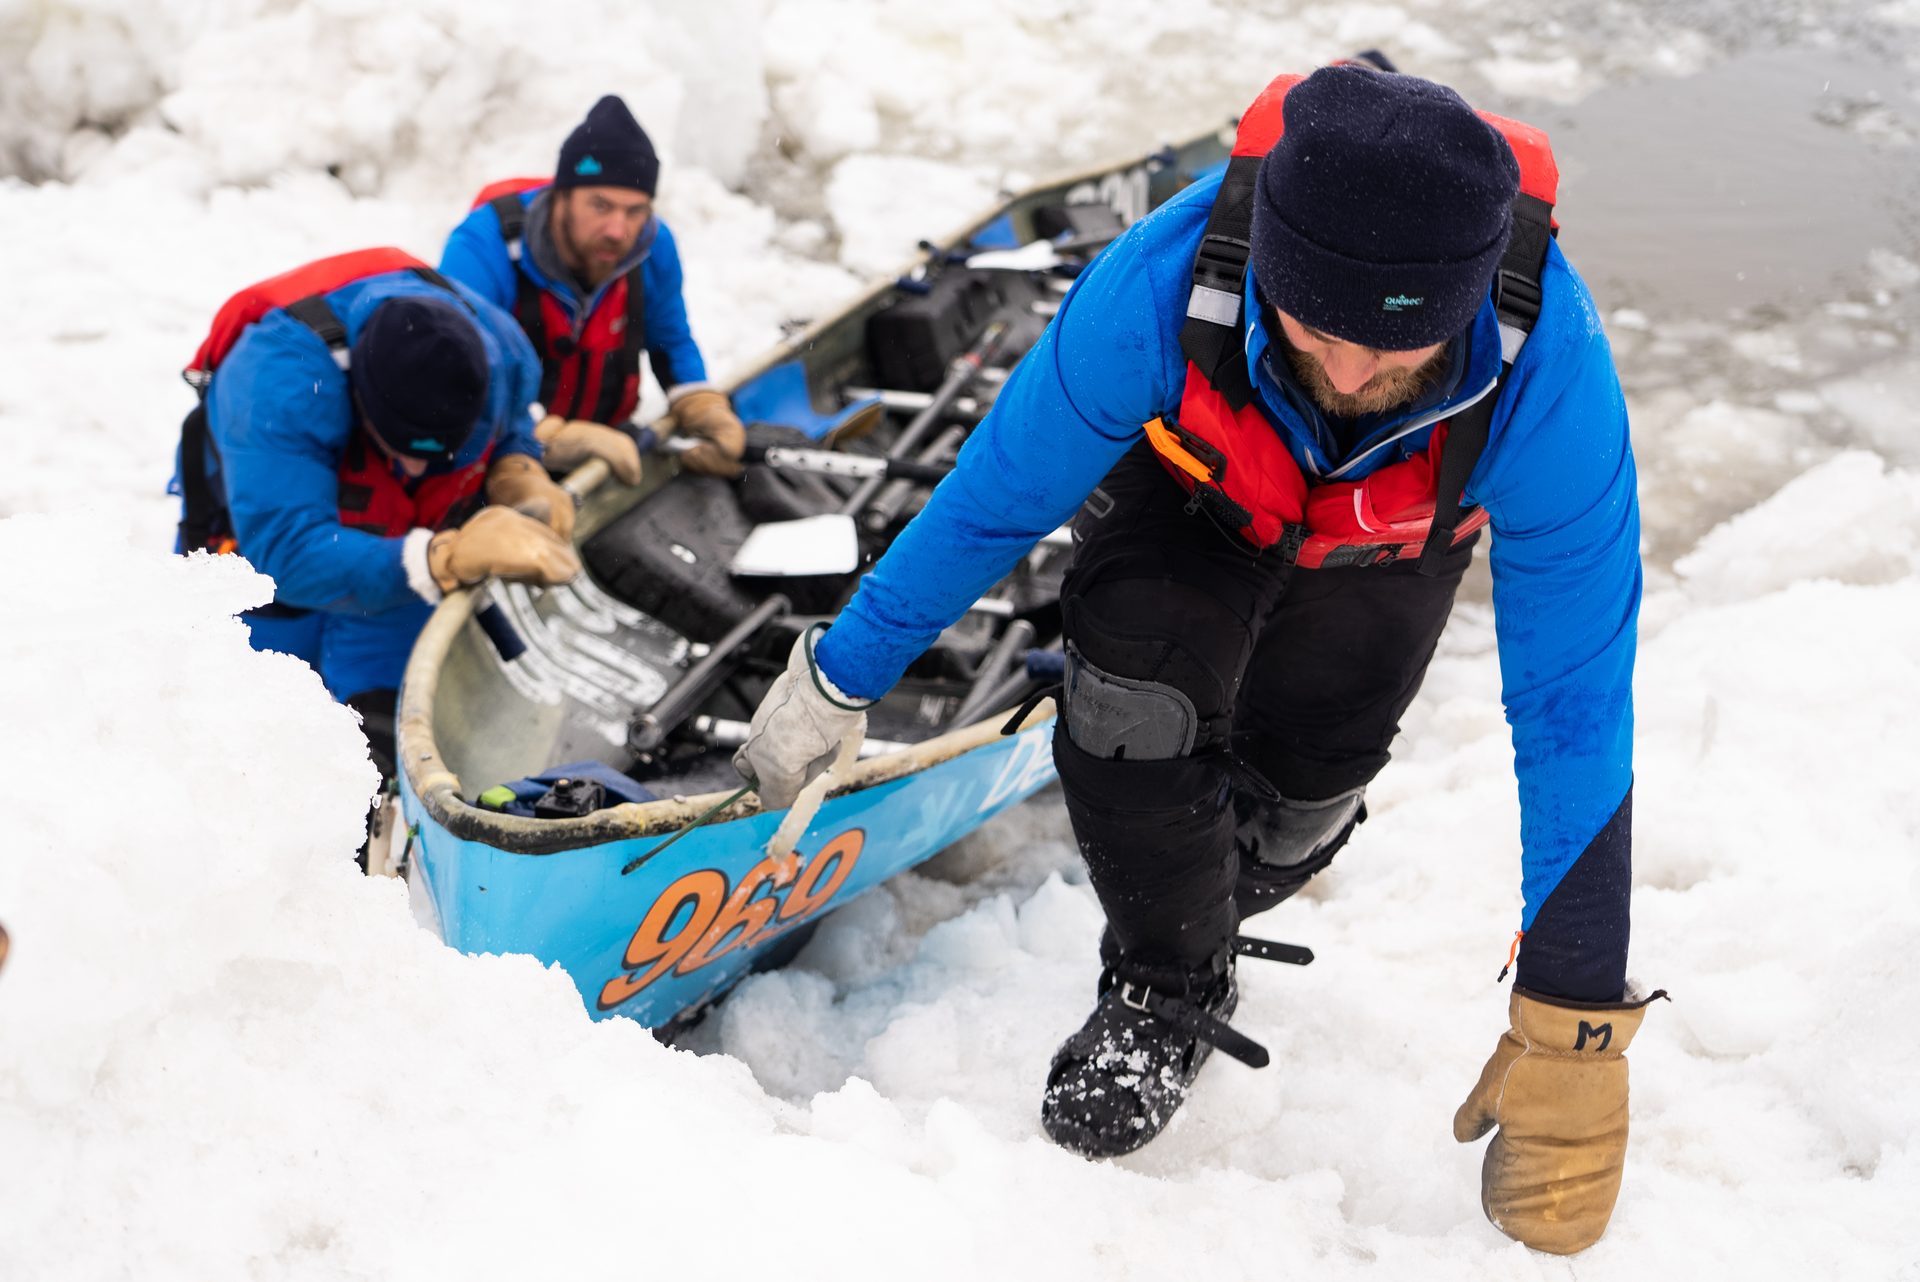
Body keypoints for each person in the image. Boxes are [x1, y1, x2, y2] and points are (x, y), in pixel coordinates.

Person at [732, 64, 1660, 1254]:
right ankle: (1166, 987)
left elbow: (1574, 695)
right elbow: (995, 501)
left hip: (1382, 550)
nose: (1345, 375)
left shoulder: (1551, 380)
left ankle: (1218, 896)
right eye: (1314, 328)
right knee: (1130, 714)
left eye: (1395, 349)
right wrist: (837, 678)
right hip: (1192, 507)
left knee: (1286, 824)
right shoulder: (1161, 288)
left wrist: (1573, 1012)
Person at [174, 250, 582, 783]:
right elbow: (285, 554)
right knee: (251, 754)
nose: (418, 466)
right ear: (361, 395)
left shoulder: (504, 352)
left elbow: (511, 427)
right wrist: (442, 558)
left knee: (386, 747)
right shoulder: (280, 378)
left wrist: (518, 470)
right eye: (405, 448)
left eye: (438, 455)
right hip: (269, 565)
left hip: (395, 560)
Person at [439, 94, 746, 486]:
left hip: (607, 445)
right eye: (600, 206)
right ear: (561, 196)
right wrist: (547, 437)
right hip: (503, 459)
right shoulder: (482, 248)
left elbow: (670, 339)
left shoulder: (652, 246)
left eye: (635, 211)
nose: (618, 230)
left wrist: (697, 400)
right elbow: (461, 378)